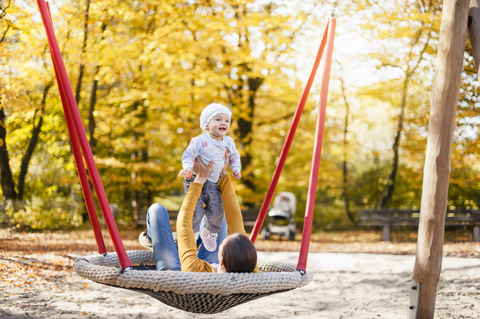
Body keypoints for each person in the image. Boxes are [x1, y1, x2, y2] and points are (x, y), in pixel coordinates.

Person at [145, 155, 258, 273]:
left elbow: (184, 224)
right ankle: (177, 244)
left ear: (222, 261)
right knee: (219, 215)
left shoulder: (193, 269)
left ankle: (162, 240)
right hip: (211, 266)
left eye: (223, 243)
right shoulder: (250, 268)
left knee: (156, 210)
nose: (224, 238)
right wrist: (223, 175)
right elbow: (236, 223)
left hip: (176, 273)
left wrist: (199, 180)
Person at [178, 103, 241, 252]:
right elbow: (188, 155)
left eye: (227, 121)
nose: (223, 123)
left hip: (214, 183)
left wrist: (236, 169)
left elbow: (234, 157)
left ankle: (210, 232)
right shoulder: (200, 140)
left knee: (218, 211)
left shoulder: (229, 142)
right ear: (206, 125)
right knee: (196, 212)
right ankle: (192, 234)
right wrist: (187, 168)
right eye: (218, 119)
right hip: (195, 180)